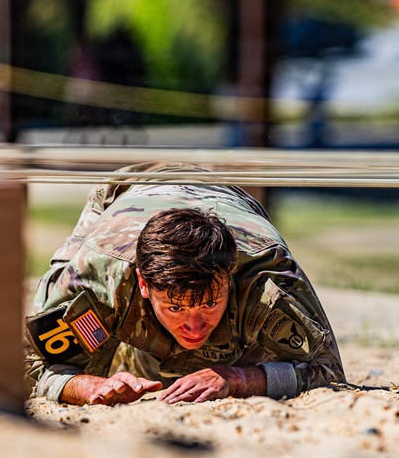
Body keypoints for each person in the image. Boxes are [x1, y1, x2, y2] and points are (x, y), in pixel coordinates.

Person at [25, 161, 344, 406]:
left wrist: (239, 378)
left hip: (228, 197)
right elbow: (31, 367)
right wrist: (91, 386)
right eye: (175, 307)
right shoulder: (99, 278)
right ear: (143, 284)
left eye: (209, 303)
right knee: (82, 345)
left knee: (255, 355)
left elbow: (327, 369)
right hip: (125, 193)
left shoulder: (266, 278)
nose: (194, 326)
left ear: (230, 273)